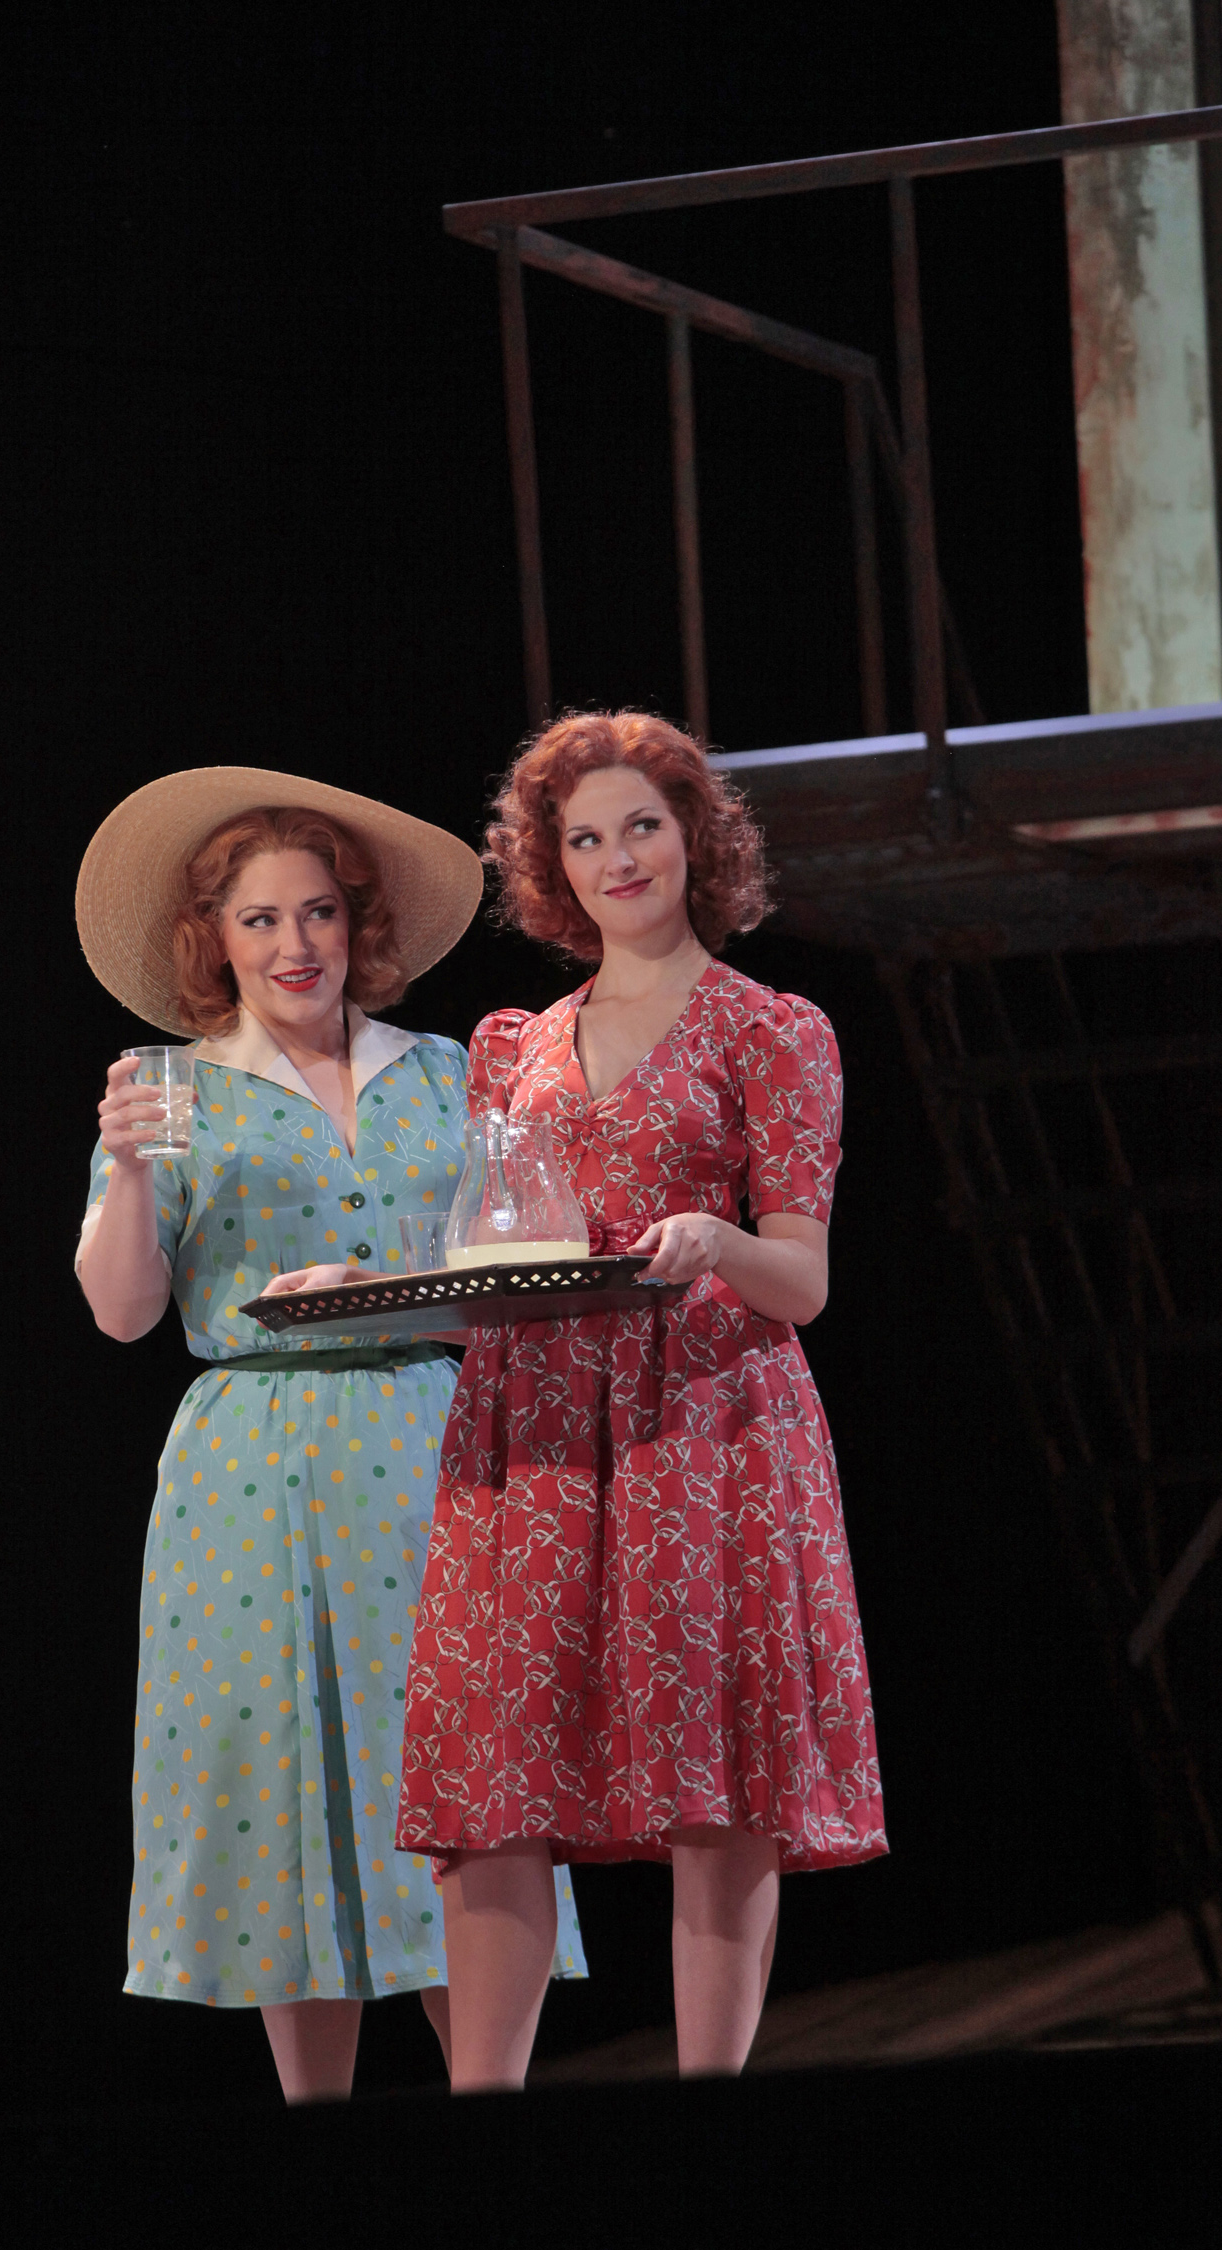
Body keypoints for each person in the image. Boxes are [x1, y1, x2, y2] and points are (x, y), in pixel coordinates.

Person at [73, 766, 585, 2104]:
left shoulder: (447, 1070)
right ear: (215, 939)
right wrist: (127, 1165)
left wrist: (435, 1292)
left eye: (317, 914)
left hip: (432, 1439)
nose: (295, 946)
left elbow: (513, 1260)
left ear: (356, 924)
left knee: (467, 1787)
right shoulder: (172, 1087)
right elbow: (124, 1311)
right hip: (252, 1462)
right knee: (282, 1787)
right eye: (260, 921)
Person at [394, 712, 886, 2092]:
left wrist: (717, 1240)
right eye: (584, 836)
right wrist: (388, 1278)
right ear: (553, 864)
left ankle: (707, 2102)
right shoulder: (512, 1045)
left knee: (711, 1788)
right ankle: (480, 2104)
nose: (618, 857)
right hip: (535, 1423)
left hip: (706, 1421)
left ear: (696, 838)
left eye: (643, 826)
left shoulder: (772, 1029)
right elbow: (497, 1235)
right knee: (498, 1784)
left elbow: (803, 1278)